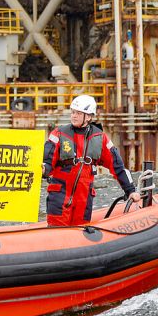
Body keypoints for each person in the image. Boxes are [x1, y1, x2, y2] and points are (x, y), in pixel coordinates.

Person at [43, 95, 140, 226]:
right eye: (72, 112)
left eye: (78, 113)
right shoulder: (59, 134)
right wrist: (44, 169)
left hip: (84, 197)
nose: (74, 116)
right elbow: (47, 160)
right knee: (56, 233)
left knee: (81, 232)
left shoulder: (99, 138)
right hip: (60, 194)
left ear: (88, 116)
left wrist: (130, 190)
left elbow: (117, 166)